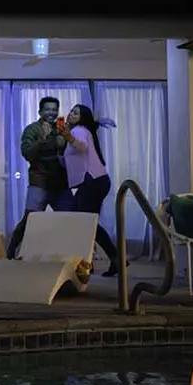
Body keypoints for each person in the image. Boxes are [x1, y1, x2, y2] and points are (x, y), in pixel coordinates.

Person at [6, 96, 75, 259]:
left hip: (61, 183)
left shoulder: (62, 128)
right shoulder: (32, 129)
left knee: (72, 219)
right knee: (30, 220)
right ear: (40, 111)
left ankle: (80, 259)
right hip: (39, 182)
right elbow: (26, 153)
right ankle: (10, 253)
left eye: (54, 109)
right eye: (47, 109)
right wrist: (42, 140)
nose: (51, 113)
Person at [60, 104, 125, 276]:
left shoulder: (78, 131)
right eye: (71, 111)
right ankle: (114, 259)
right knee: (89, 223)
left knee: (83, 221)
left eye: (76, 113)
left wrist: (68, 137)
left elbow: (82, 147)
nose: (71, 115)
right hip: (97, 181)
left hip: (92, 181)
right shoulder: (84, 130)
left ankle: (105, 259)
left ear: (82, 118)